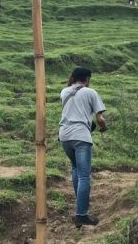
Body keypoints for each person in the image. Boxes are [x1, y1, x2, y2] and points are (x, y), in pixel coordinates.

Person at [58, 67, 107, 228]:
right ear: (87, 79)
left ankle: (80, 207)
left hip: (65, 136)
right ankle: (81, 215)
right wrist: (104, 127)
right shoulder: (90, 92)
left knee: (75, 169)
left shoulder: (64, 92)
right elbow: (99, 119)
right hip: (80, 136)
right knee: (84, 176)